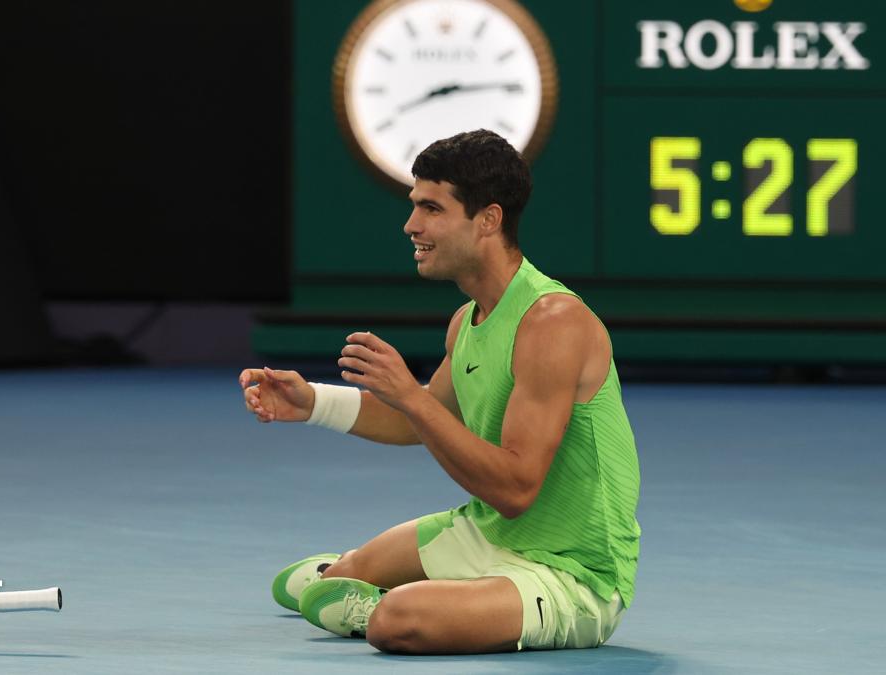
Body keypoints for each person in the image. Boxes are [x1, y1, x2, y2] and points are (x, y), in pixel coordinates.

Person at [239, 129, 640, 654]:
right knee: (343, 572)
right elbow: (417, 420)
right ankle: (388, 585)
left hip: (571, 572)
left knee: (396, 621)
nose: (411, 225)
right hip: (489, 534)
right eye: (414, 206)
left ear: (488, 220)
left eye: (431, 209)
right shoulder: (466, 322)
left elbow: (516, 490)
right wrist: (313, 402)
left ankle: (400, 602)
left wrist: (410, 394)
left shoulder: (554, 321)